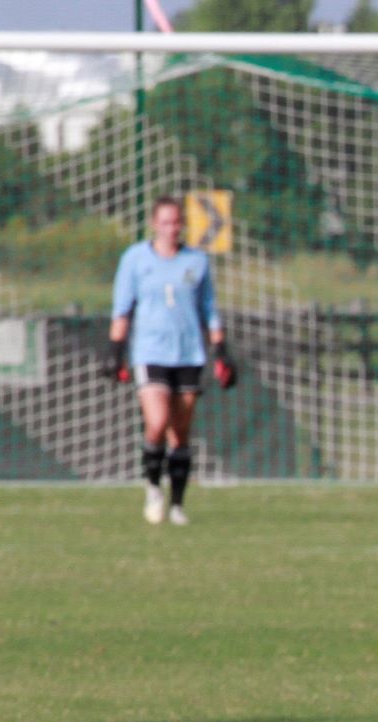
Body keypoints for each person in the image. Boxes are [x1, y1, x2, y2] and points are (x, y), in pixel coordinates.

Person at [108, 196, 235, 526]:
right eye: (165, 222)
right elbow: (123, 308)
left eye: (177, 222)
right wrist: (115, 352)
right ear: (154, 224)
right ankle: (152, 487)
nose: (172, 228)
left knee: (180, 434)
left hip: (189, 352)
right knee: (157, 422)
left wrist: (221, 353)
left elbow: (209, 310)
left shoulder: (197, 261)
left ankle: (177, 505)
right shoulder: (135, 259)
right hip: (150, 352)